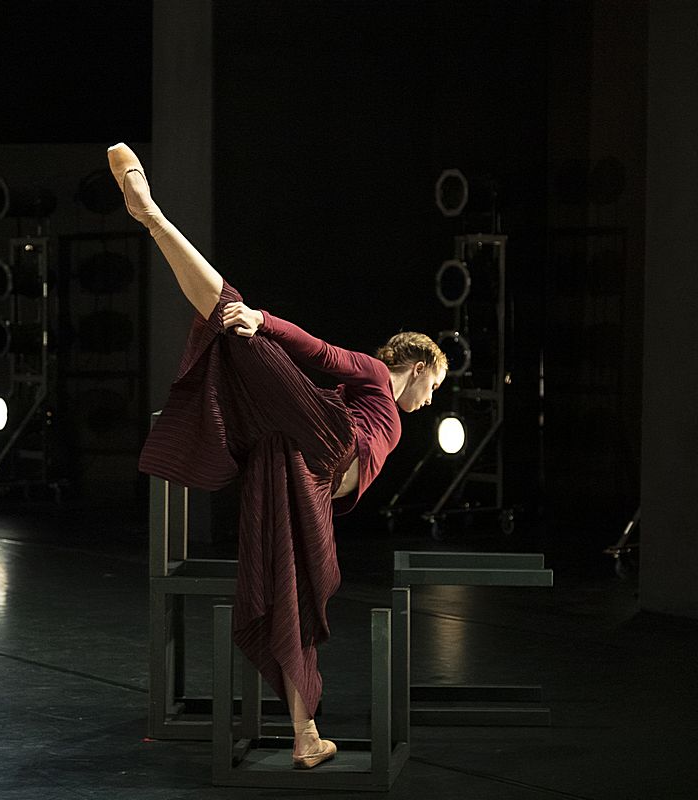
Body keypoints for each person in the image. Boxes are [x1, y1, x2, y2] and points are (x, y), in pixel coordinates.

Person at [107, 143, 446, 769]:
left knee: (289, 593)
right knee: (235, 318)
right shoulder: (377, 377)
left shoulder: (374, 403)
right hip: (328, 439)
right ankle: (151, 214)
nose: (431, 400)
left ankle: (304, 734)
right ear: (421, 365)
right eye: (434, 385)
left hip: (301, 476)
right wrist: (263, 320)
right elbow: (321, 353)